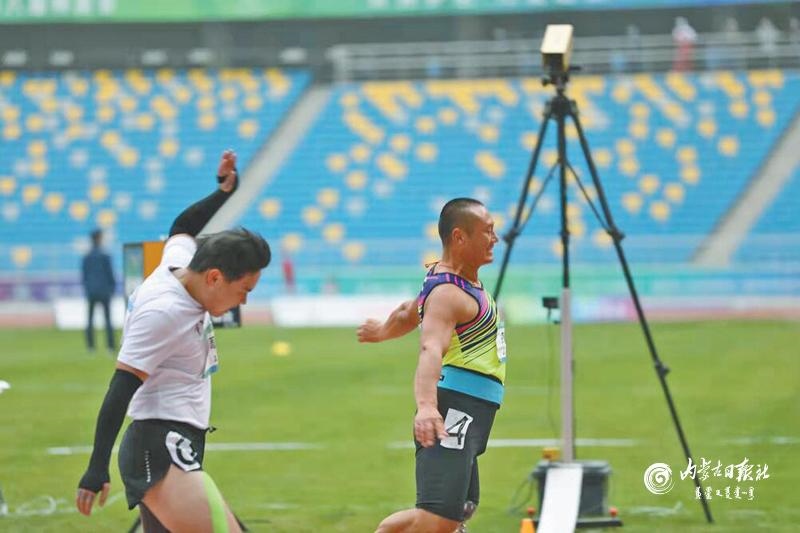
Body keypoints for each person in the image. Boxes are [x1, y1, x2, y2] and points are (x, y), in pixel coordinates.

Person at [76, 150, 271, 532]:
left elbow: (182, 226)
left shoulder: (182, 264)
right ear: (214, 277)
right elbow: (120, 387)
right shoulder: (164, 311)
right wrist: (96, 468)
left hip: (175, 441)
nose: (243, 303)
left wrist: (223, 193)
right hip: (160, 445)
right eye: (244, 290)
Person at [358, 198, 506, 533]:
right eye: (487, 231)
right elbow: (430, 348)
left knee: (459, 509)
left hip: (472, 410)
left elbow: (407, 313)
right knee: (438, 518)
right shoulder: (448, 293)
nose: (495, 238)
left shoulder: (451, 282)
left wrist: (380, 332)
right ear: (459, 237)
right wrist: (426, 406)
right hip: (456, 408)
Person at [82, 228, 116, 353]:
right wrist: (112, 288)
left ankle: (91, 347)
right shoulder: (105, 256)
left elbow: (84, 275)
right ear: (99, 238)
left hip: (91, 291)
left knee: (90, 319)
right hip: (104, 291)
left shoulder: (86, 256)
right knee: (107, 319)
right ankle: (110, 346)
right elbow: (110, 274)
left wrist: (87, 288)